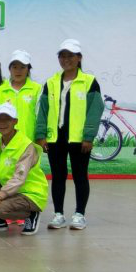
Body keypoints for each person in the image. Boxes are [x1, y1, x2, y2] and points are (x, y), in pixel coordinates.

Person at [35, 39, 104, 231]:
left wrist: (88, 136)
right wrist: (41, 134)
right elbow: (43, 110)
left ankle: (79, 214)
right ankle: (58, 214)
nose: (66, 59)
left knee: (80, 176)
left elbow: (95, 110)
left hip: (79, 139)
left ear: (79, 57)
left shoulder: (89, 82)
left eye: (70, 55)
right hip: (55, 138)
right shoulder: (51, 83)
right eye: (62, 56)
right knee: (58, 176)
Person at [0, 103, 48, 235]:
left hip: (30, 193)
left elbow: (19, 178)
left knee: (2, 209)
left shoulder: (26, 146)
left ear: (15, 121)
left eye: (7, 119)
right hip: (11, 191)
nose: (2, 123)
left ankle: (32, 214)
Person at [0, 51, 42, 142]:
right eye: (14, 67)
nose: (18, 71)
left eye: (22, 67)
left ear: (28, 69)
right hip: (6, 143)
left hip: (29, 142)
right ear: (9, 69)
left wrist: (40, 137)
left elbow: (39, 117)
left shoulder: (37, 89)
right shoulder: (0, 91)